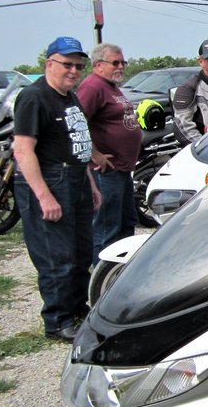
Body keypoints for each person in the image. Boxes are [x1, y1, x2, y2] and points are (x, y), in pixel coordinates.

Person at [12, 36, 102, 343]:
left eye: (79, 65)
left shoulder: (70, 97)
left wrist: (90, 183)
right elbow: (23, 151)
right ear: (49, 63)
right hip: (50, 179)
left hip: (75, 178)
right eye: (67, 64)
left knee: (80, 252)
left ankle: (78, 309)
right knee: (56, 256)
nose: (74, 71)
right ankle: (58, 320)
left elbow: (78, 146)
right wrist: (43, 195)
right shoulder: (34, 97)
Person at [77, 43, 142, 263]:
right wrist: (94, 154)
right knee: (107, 229)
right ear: (98, 65)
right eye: (116, 62)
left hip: (122, 170)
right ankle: (102, 281)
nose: (121, 66)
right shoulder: (92, 87)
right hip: (106, 173)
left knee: (126, 223)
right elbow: (77, 123)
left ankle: (119, 275)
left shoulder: (111, 86)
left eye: (123, 62)